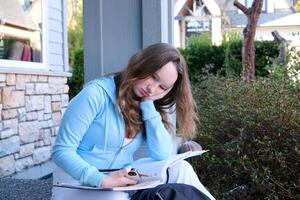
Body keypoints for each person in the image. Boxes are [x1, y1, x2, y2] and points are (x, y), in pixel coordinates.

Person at [51, 43, 215, 200]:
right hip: (77, 183)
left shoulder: (144, 102)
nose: (152, 88)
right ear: (142, 63)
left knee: (181, 169)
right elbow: (62, 151)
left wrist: (148, 106)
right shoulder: (95, 94)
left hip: (121, 179)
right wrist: (102, 180)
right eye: (153, 76)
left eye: (162, 87)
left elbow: (162, 154)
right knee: (116, 196)